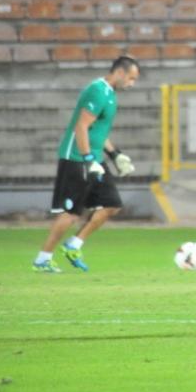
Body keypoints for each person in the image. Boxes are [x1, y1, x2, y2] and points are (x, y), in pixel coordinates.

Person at [32, 56, 140, 273]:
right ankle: (43, 259)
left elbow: (97, 131)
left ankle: (74, 245)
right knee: (71, 213)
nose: (132, 83)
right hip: (77, 158)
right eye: (131, 78)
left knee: (111, 204)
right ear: (119, 72)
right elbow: (81, 127)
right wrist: (88, 159)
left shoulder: (110, 94)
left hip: (95, 158)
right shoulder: (97, 91)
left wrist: (115, 155)